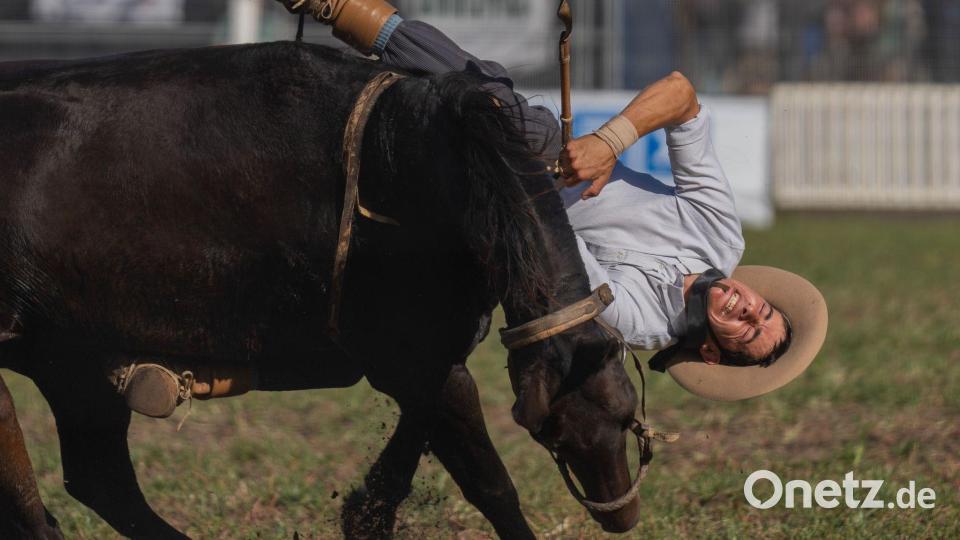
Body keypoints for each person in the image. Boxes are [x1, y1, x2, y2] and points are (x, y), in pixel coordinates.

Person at [278, 0, 829, 402]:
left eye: (749, 330)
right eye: (764, 310)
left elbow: (555, 247)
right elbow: (681, 96)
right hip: (537, 155)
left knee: (387, 328)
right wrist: (608, 143)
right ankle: (342, 7)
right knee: (500, 105)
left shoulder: (637, 325)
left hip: (500, 223)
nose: (749, 309)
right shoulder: (721, 235)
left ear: (710, 352)